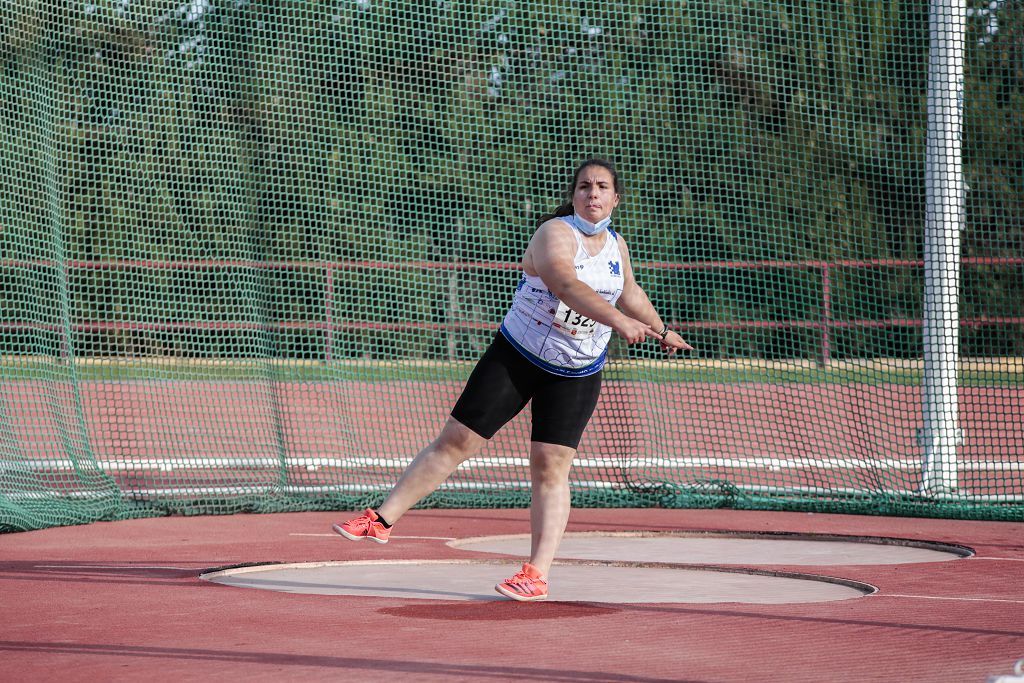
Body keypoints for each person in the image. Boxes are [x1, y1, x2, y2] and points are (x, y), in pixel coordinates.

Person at [332, 158, 692, 601]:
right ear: (573, 194)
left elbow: (629, 291)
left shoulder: (617, 246)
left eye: (601, 187)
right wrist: (619, 322)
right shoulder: (555, 233)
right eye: (584, 186)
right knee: (457, 440)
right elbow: (565, 285)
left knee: (551, 464)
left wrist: (660, 330)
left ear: (616, 198)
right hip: (517, 354)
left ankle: (536, 573)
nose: (592, 194)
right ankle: (381, 520)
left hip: (576, 371)